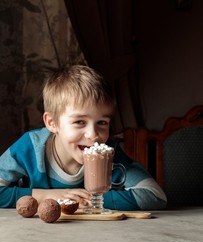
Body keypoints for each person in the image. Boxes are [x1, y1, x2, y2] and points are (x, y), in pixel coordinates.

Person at [0, 65, 167, 210]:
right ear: (52, 123)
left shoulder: (109, 154)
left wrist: (91, 201)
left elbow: (155, 196)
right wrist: (49, 196)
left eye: (102, 122)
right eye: (80, 122)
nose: (93, 135)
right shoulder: (29, 148)